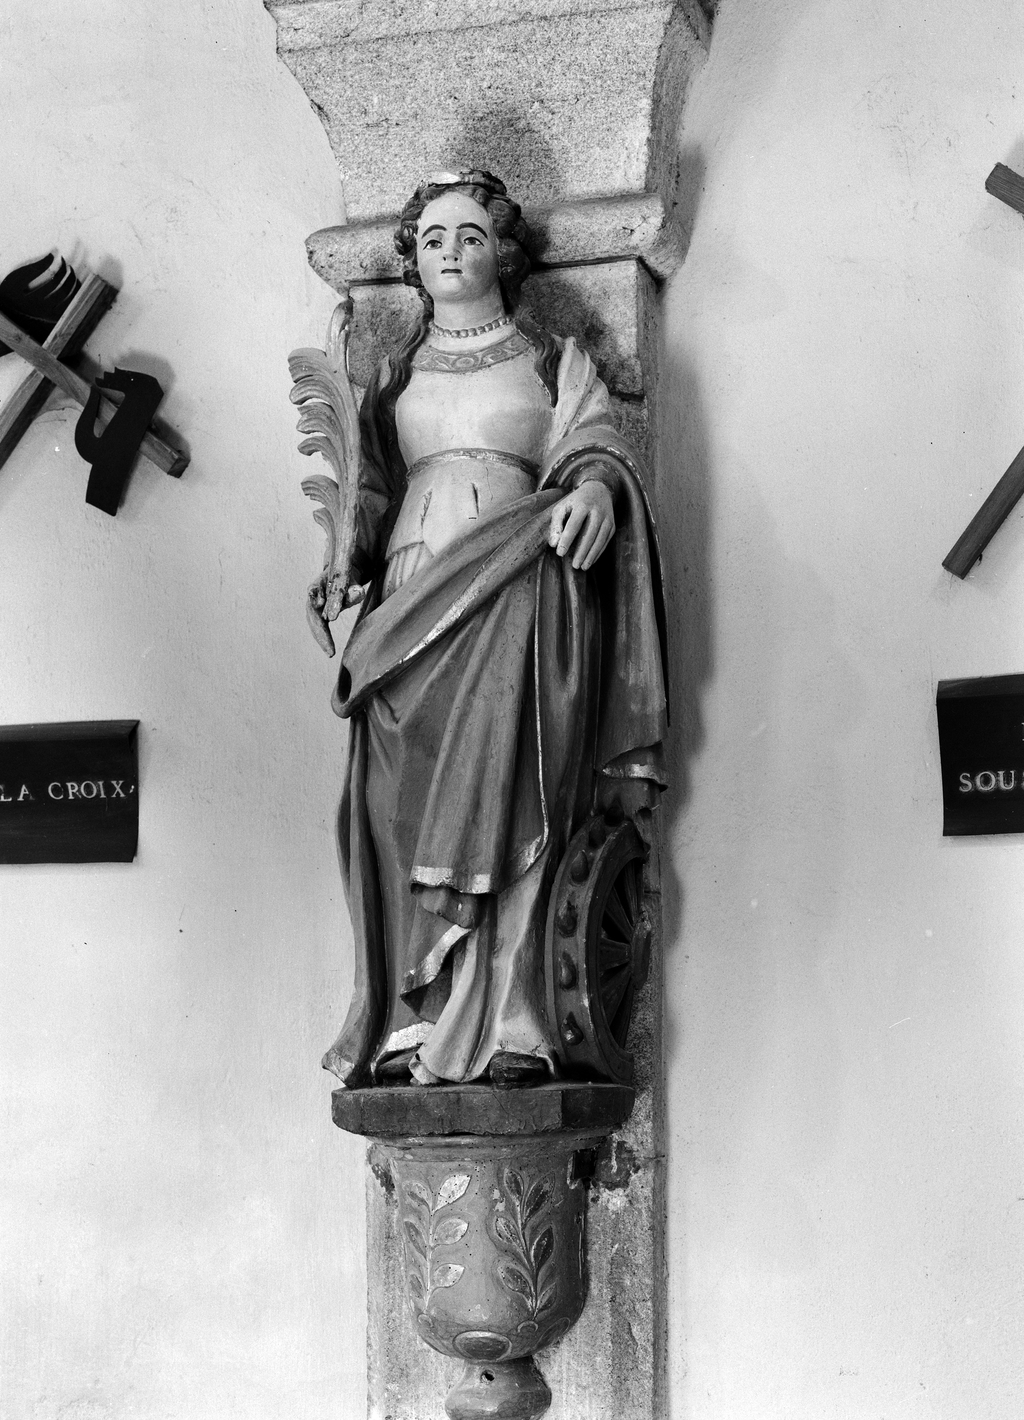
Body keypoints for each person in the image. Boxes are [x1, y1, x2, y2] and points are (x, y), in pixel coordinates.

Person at [314, 170, 667, 1088]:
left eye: (469, 235)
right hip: (409, 594)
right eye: (432, 239)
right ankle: (412, 1017)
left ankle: (513, 1022)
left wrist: (595, 489)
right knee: (396, 795)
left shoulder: (551, 359)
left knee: (513, 783)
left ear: (503, 253)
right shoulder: (395, 375)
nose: (450, 252)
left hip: (516, 588)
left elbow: (597, 444)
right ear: (413, 259)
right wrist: (339, 569)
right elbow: (368, 490)